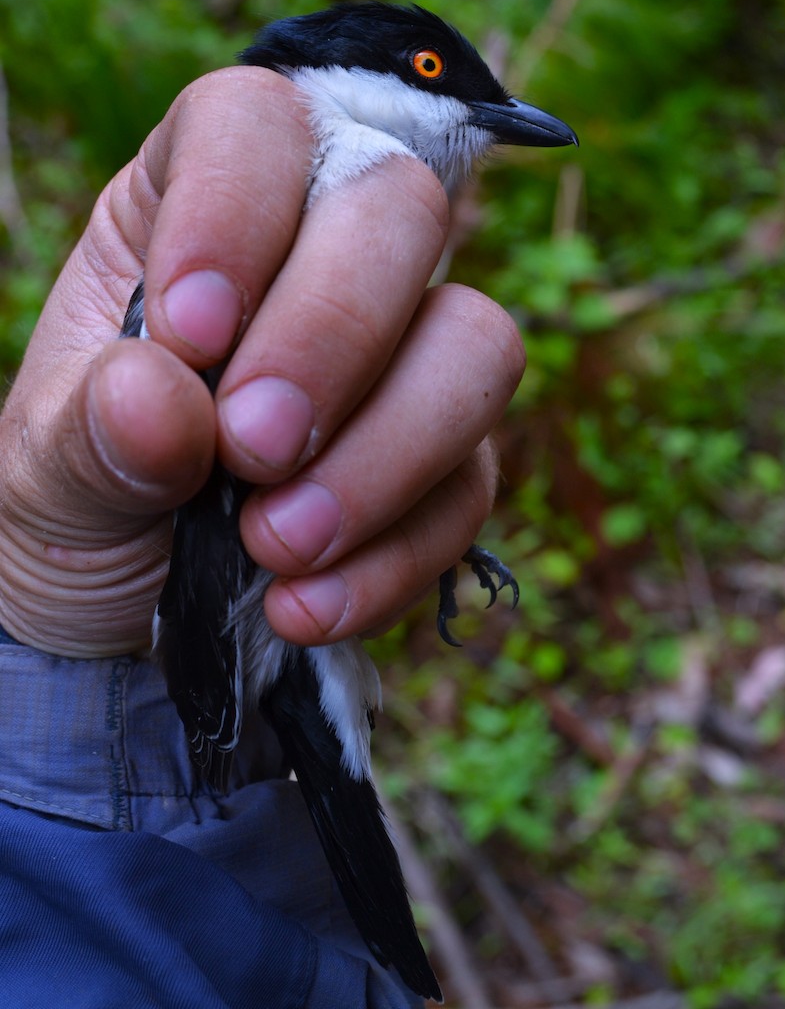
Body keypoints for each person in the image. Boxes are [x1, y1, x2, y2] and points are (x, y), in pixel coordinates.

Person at [0, 66, 525, 1007]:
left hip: (239, 644)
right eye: (437, 73)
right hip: (238, 631)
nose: (483, 113)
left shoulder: (370, 205)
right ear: (339, 69)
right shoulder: (299, 156)